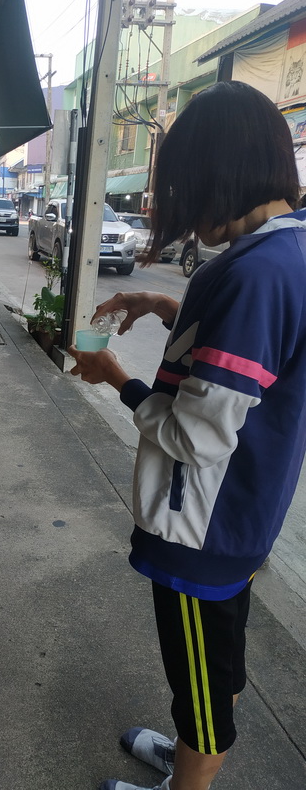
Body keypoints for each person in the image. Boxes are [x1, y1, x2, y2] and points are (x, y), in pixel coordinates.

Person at [68, 81, 306, 790]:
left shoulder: (257, 273)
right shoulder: (284, 251)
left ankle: (188, 777)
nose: (179, 205)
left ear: (217, 174)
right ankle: (185, 762)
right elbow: (251, 363)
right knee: (214, 667)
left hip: (203, 527)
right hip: (242, 516)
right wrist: (162, 303)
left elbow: (195, 437)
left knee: (201, 691)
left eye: (181, 186)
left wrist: (115, 377)